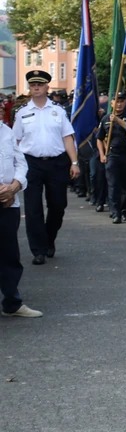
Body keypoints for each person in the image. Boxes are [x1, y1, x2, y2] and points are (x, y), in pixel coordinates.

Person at [12, 70, 80, 265]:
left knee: (58, 205)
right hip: (30, 163)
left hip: (57, 162)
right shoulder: (22, 112)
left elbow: (67, 137)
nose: (36, 87)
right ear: (29, 88)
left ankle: (49, 238)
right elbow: (15, 141)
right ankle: (38, 250)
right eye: (33, 85)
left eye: (40, 84)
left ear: (47, 87)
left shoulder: (58, 111)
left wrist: (74, 162)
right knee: (33, 208)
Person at [1, 119, 41, 318]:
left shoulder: (6, 131)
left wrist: (14, 187)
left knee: (9, 255)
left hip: (9, 202)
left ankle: (12, 303)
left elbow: (21, 163)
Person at [96, 92, 126, 224]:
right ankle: (115, 212)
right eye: (116, 101)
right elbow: (99, 139)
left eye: (121, 101)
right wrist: (102, 154)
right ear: (111, 103)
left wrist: (118, 121)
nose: (119, 104)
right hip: (112, 154)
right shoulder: (106, 118)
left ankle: (125, 211)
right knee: (113, 185)